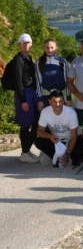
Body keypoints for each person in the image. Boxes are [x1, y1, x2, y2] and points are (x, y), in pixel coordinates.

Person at [12, 34, 40, 163]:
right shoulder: (18, 59)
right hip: (24, 95)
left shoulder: (28, 57)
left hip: (31, 94)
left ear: (31, 43)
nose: (26, 45)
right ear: (19, 44)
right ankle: (25, 152)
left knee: (34, 122)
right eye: (23, 43)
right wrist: (23, 100)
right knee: (26, 124)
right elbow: (18, 81)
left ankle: (26, 150)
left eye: (28, 42)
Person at [35, 90, 80, 167]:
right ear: (49, 101)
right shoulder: (45, 112)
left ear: (64, 101)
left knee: (77, 157)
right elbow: (39, 131)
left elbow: (73, 136)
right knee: (38, 141)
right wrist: (49, 136)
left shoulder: (71, 112)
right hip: (55, 140)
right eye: (54, 101)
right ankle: (59, 157)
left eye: (60, 101)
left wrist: (67, 154)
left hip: (69, 140)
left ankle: (63, 156)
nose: (58, 104)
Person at [35, 38, 71, 111]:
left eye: (52, 47)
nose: (50, 50)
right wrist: (40, 100)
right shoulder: (39, 62)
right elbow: (38, 82)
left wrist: (68, 98)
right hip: (46, 98)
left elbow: (68, 82)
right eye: (47, 47)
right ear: (44, 48)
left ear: (56, 48)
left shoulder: (62, 62)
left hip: (60, 98)